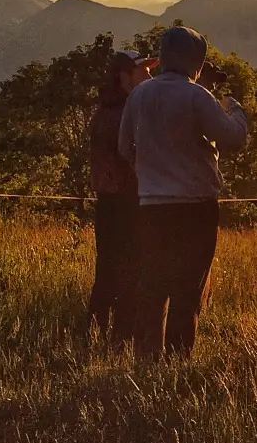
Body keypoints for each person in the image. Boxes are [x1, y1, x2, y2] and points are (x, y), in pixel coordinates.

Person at [118, 25, 248, 358]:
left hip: (150, 206)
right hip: (195, 208)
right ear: (196, 62)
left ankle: (146, 361)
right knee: (187, 290)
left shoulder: (139, 95)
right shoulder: (196, 96)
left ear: (162, 57)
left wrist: (146, 171)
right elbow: (233, 138)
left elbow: (124, 147)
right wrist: (235, 109)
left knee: (152, 288)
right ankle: (178, 362)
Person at [87, 49, 153, 339]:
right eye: (142, 70)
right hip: (123, 202)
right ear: (123, 77)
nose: (149, 75)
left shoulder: (108, 110)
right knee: (126, 270)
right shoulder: (124, 113)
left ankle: (99, 333)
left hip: (112, 201)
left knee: (109, 270)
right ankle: (120, 336)